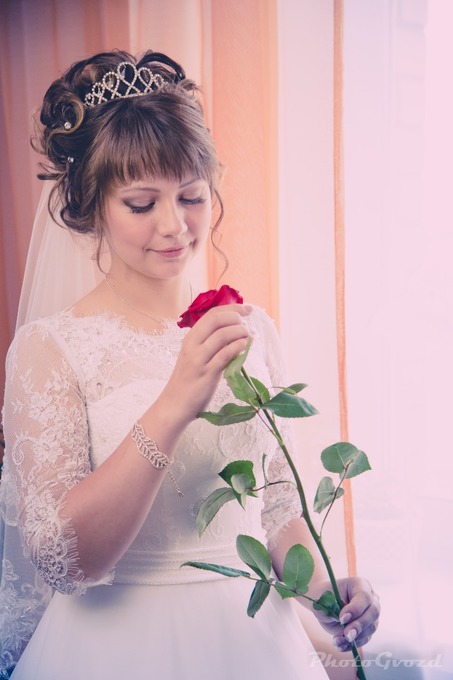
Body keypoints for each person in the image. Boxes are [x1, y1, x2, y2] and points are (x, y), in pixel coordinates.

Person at [0, 50, 379, 679]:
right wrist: (176, 400)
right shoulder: (50, 349)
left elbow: (276, 512)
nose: (175, 225)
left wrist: (328, 596)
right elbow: (65, 562)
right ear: (93, 207)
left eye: (192, 196)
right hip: (113, 650)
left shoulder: (250, 329)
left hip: (255, 646)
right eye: (141, 204)